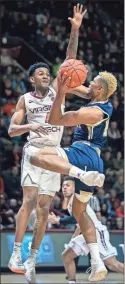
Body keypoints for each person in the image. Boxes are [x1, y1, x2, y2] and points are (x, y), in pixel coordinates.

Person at [8, 4, 96, 284]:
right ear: (33, 79)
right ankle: (16, 253)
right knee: (30, 201)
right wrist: (29, 126)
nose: (47, 76)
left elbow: (70, 60)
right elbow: (11, 130)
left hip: (54, 153)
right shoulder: (25, 99)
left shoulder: (58, 90)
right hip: (34, 150)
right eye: (42, 74)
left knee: (45, 209)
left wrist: (75, 29)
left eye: (49, 73)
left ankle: (32, 259)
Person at [28, 55, 117, 281]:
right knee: (79, 212)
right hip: (94, 158)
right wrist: (64, 79)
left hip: (83, 155)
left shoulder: (94, 113)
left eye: (93, 81)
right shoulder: (97, 98)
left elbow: (56, 119)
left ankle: (82, 175)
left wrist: (60, 93)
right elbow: (77, 86)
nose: (89, 82)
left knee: (36, 156)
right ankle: (97, 263)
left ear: (100, 88)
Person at [48, 179, 124, 284]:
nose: (64, 187)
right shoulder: (70, 202)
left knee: (112, 264)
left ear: (74, 188)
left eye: (68, 185)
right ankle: (72, 282)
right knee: (67, 256)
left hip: (97, 232)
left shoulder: (77, 199)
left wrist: (58, 220)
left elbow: (77, 218)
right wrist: (73, 239)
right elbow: (80, 224)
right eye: (63, 186)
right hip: (86, 234)